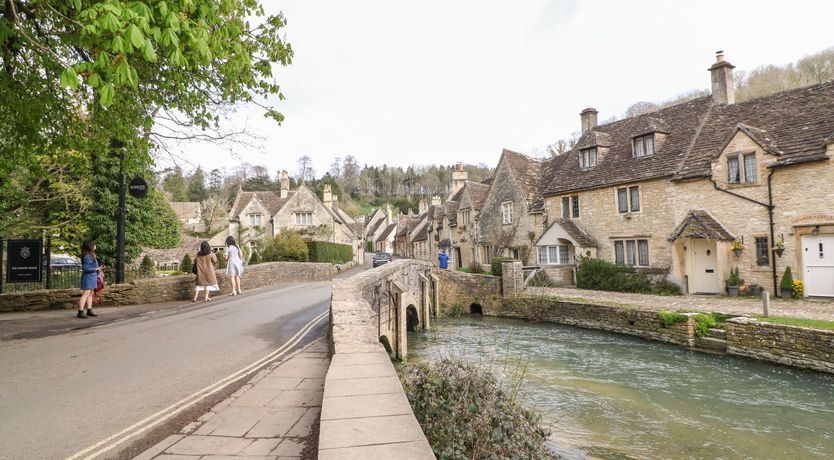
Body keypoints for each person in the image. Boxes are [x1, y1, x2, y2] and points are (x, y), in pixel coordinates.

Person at [78, 240, 104, 318]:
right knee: (85, 294)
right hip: (88, 277)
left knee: (91, 294)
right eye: (94, 245)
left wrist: (98, 269)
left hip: (92, 277)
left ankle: (89, 310)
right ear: (90, 246)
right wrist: (97, 268)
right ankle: (80, 312)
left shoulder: (91, 255)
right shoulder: (87, 256)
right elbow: (86, 269)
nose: (95, 246)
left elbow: (92, 267)